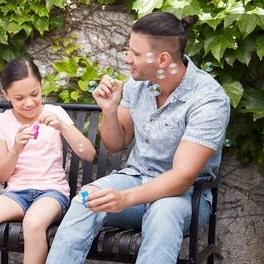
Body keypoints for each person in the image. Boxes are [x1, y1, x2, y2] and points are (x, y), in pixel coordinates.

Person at [46, 11, 230, 264]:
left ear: (163, 59)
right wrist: (109, 109)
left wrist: (125, 199)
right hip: (135, 180)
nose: (127, 58)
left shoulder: (208, 99)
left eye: (135, 53)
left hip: (186, 196)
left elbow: (182, 177)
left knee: (163, 212)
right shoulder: (137, 85)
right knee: (86, 201)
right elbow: (116, 143)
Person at [0, 58, 96, 264]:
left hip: (51, 194)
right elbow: (0, 175)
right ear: (6, 95)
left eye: (35, 94)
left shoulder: (54, 113)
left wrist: (63, 127)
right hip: (16, 195)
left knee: (33, 223)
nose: (29, 103)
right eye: (19, 98)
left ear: (41, 87)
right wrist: (16, 149)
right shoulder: (2, 121)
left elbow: (89, 154)